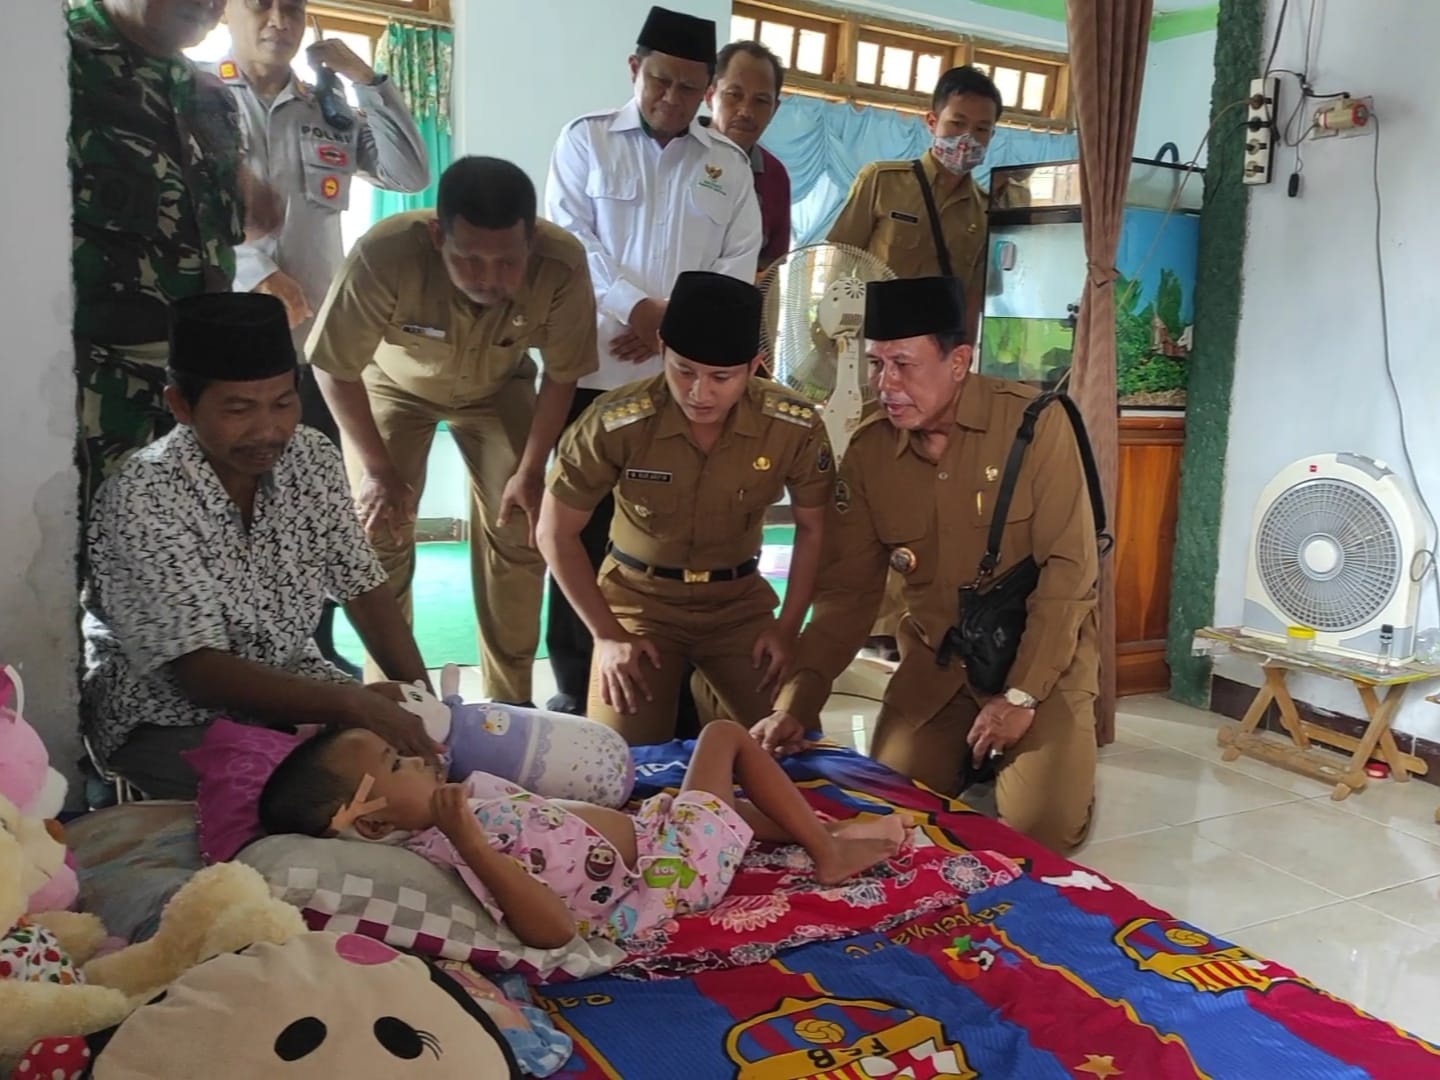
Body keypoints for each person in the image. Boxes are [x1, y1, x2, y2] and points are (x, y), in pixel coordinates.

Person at [751, 277, 1100, 853]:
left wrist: (1020, 696)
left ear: (958, 361)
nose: (886, 384)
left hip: (1040, 662)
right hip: (941, 665)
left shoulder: (1036, 428)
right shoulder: (868, 456)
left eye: (904, 364)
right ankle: (972, 759)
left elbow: (1069, 575)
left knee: (1042, 827)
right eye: (875, 363)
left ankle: (1038, 757)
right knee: (889, 797)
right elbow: (848, 595)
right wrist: (797, 703)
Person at [81, 293, 438, 801]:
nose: (268, 430)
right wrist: (350, 704)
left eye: (283, 403)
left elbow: (363, 589)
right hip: (165, 716)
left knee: (399, 770)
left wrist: (425, 706)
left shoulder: (310, 456)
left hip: (294, 691)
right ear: (180, 405)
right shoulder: (144, 494)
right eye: (239, 409)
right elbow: (199, 673)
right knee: (324, 798)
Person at [307, 157, 597, 706]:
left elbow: (564, 374)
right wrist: (378, 470)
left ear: (531, 240)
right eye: (469, 259)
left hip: (499, 389)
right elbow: (334, 368)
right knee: (381, 530)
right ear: (438, 235)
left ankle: (511, 703)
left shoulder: (561, 264)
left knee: (520, 527)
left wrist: (533, 471)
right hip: (392, 387)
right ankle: (397, 699)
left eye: (508, 262)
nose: (489, 278)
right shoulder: (384, 254)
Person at [543, 4, 764, 714]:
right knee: (584, 526)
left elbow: (738, 263)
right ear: (635, 70)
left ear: (708, 91)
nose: (672, 99)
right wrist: (639, 311)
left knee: (675, 532)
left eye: (689, 89)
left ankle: (669, 688)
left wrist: (670, 330)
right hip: (599, 371)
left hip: (686, 382)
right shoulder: (585, 142)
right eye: (660, 81)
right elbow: (573, 243)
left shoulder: (727, 167)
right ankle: (580, 685)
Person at [258, 719, 906, 948]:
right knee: (725, 737)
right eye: (397, 765)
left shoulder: (449, 809)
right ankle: (825, 853)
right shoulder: (449, 845)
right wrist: (473, 842)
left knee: (711, 799)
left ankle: (826, 829)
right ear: (371, 820)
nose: (418, 757)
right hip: (670, 868)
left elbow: (543, 819)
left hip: (653, 836)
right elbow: (551, 931)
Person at [215, 0, 430, 673]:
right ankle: (239, 647)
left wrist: (367, 80)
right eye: (260, 3)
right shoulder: (203, 99)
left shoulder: (324, 108)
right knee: (234, 502)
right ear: (228, 11)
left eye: (293, 6)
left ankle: (315, 640)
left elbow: (409, 173)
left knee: (314, 504)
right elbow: (192, 212)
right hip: (230, 348)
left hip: (316, 352)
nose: (277, 18)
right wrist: (256, 273)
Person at [536, 271, 832, 745]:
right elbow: (554, 533)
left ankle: (708, 692)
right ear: (661, 349)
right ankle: (693, 691)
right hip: (639, 603)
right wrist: (607, 635)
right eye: (684, 370)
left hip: (738, 606)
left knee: (793, 744)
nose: (700, 393)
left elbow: (814, 529)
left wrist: (786, 627)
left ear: (754, 366)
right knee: (619, 765)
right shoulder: (615, 422)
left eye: (721, 377)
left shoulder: (791, 425)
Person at [69, 0, 281, 512]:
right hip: (89, 380)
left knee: (179, 553)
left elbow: (236, 223)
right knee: (79, 547)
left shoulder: (209, 93)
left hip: (194, 380)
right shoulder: (53, 59)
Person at [826, 65, 1005, 661]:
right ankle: (857, 619)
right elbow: (837, 264)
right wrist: (834, 356)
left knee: (921, 491)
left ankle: (910, 620)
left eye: (982, 129)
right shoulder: (884, 182)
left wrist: (963, 370)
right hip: (866, 367)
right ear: (931, 121)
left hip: (934, 377)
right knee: (860, 488)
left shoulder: (984, 211)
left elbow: (974, 299)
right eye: (957, 124)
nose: (968, 139)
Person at [703, 40, 791, 275]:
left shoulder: (775, 175)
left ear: (775, 109)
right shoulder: (675, 150)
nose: (746, 111)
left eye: (761, 101)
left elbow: (772, 264)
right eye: (734, 95)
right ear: (710, 95)